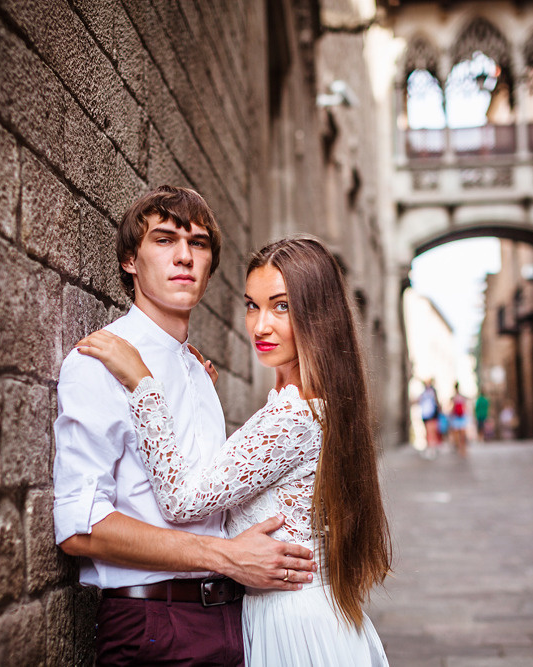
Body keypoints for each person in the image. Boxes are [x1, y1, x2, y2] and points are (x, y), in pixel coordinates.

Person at [77, 237, 392, 666]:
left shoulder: (293, 416)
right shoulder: (308, 403)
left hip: (291, 624)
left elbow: (182, 500)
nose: (261, 326)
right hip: (298, 613)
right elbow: (238, 480)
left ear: (318, 314)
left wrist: (143, 385)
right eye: (252, 305)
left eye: (281, 306)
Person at [53, 186, 316, 666]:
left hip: (232, 620)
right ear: (131, 259)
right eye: (164, 239)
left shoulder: (197, 370)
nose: (183, 256)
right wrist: (225, 556)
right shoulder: (101, 359)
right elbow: (79, 527)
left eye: (198, 243)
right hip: (155, 624)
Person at [418, 379, 442, 456]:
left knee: (431, 432)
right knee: (428, 432)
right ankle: (430, 448)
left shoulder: (432, 392)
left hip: (431, 415)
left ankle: (432, 448)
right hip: (426, 415)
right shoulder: (424, 393)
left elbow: (436, 403)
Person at [449, 382, 469, 457]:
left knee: (457, 434)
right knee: (462, 434)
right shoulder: (462, 397)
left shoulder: (454, 397)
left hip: (456, 417)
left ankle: (459, 448)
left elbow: (452, 408)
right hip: (462, 416)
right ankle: (463, 448)